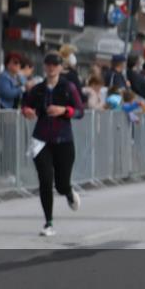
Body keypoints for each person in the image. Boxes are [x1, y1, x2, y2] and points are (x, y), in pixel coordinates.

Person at [22, 51, 84, 237]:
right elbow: (25, 105)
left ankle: (69, 192)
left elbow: (80, 111)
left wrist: (64, 110)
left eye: (55, 64)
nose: (51, 67)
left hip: (64, 140)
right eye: (48, 64)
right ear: (44, 66)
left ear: (60, 67)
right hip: (41, 140)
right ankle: (48, 222)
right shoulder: (38, 88)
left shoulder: (68, 87)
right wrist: (27, 111)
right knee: (45, 180)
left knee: (61, 183)